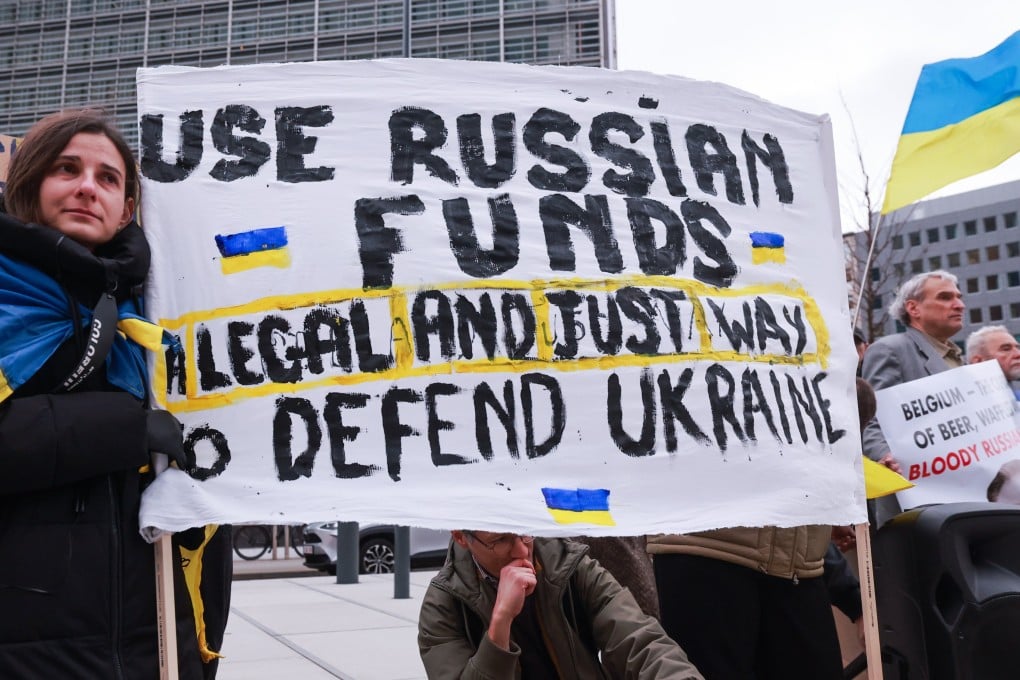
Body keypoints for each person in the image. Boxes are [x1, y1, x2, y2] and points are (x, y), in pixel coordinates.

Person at [0, 108, 226, 678]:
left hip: (153, 649)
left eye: (107, 178)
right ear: (28, 186)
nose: (86, 188)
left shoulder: (161, 315)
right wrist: (125, 430)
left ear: (127, 207)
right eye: (66, 169)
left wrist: (196, 657)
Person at [418, 530, 704, 679]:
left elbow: (639, 640)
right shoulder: (443, 603)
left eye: (524, 533)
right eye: (501, 540)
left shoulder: (568, 566)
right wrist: (501, 623)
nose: (521, 550)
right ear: (461, 537)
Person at [861, 270, 965, 525]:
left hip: (963, 496)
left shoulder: (957, 358)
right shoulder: (891, 350)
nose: (959, 304)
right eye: (945, 297)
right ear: (913, 308)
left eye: (959, 297)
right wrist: (883, 456)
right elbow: (871, 419)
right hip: (917, 505)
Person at [965, 324, 1020, 398]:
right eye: (1006, 349)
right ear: (978, 362)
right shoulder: (966, 406)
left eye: (1017, 348)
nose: (1018, 354)